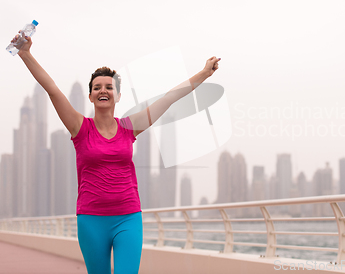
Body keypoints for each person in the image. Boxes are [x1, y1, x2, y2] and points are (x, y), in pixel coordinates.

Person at [12, 34, 220, 274]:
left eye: (109, 87)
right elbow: (52, 90)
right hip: (91, 219)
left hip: (128, 217)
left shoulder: (129, 127)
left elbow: (169, 98)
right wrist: (26, 54)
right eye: (97, 87)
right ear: (90, 96)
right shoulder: (80, 128)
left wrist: (204, 73)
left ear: (118, 96)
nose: (103, 90)